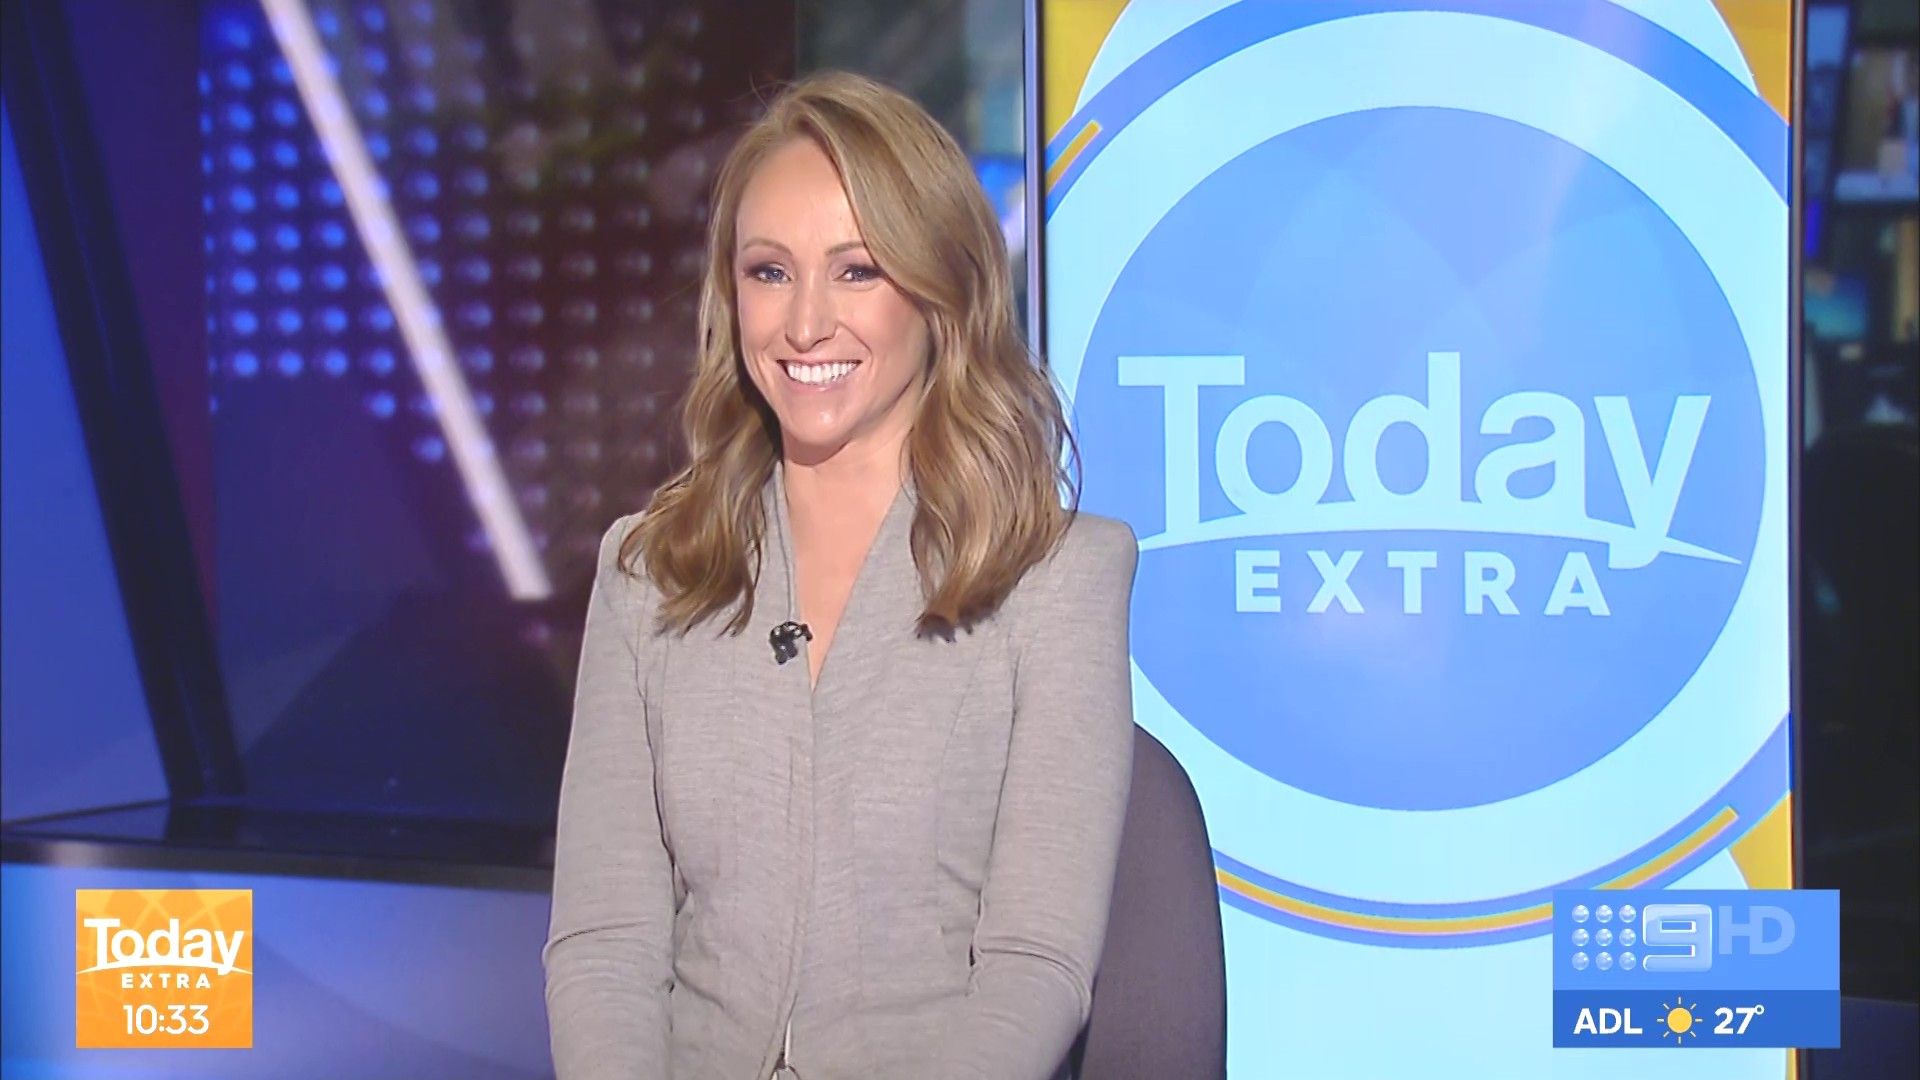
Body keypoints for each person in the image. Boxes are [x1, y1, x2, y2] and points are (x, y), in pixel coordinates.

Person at [541, 70, 1138, 1080]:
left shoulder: (1059, 578)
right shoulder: (649, 572)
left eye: (857, 270)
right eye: (770, 272)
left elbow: (1035, 966)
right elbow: (605, 944)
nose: (805, 324)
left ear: (942, 291)